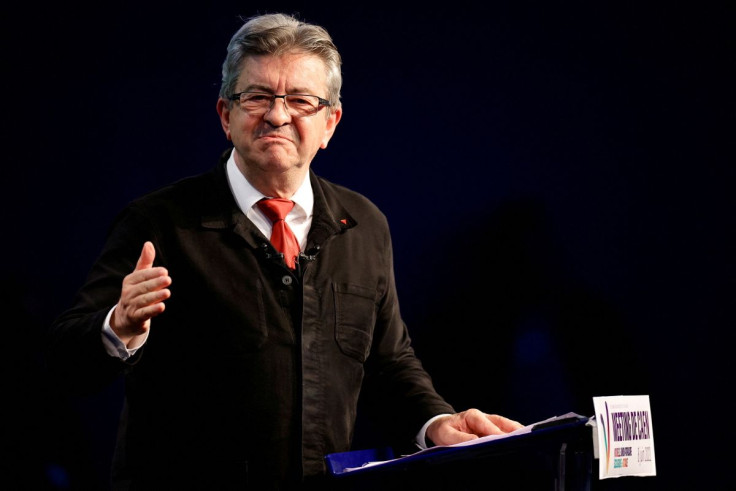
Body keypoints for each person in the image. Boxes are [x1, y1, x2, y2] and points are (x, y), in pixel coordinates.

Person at [46, 12, 523, 490]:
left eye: (300, 100)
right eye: (257, 97)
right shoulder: (157, 223)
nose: (277, 115)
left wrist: (436, 423)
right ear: (225, 115)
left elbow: (390, 360)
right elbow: (65, 365)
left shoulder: (364, 225)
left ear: (330, 122)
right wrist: (119, 327)